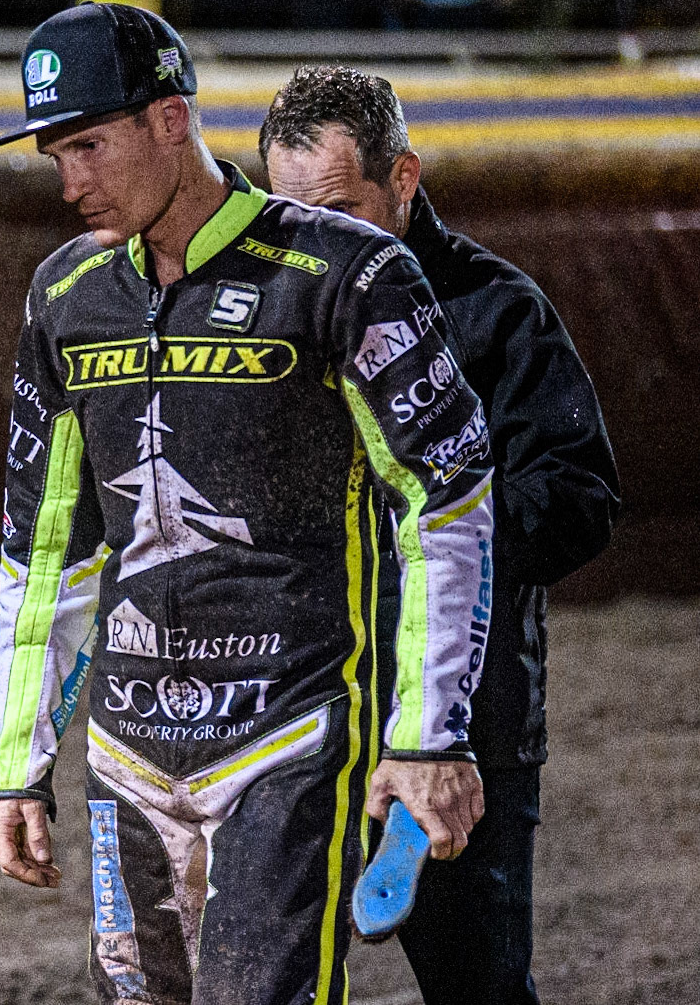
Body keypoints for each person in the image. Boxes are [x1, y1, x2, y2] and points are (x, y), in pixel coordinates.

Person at [0, 3, 496, 1004]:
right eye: (53, 153)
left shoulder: (349, 272)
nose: (69, 181)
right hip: (126, 754)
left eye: (88, 144)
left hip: (289, 740)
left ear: (170, 120)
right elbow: (46, 548)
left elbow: (446, 496)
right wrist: (16, 763)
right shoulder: (64, 295)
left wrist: (429, 732)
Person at [259, 64, 618, 1005]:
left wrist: (431, 538)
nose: (319, 239)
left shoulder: (499, 313)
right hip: (289, 721)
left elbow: (578, 496)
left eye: (341, 208)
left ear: (404, 179)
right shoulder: (259, 315)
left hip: (465, 720)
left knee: (478, 991)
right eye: (293, 215)